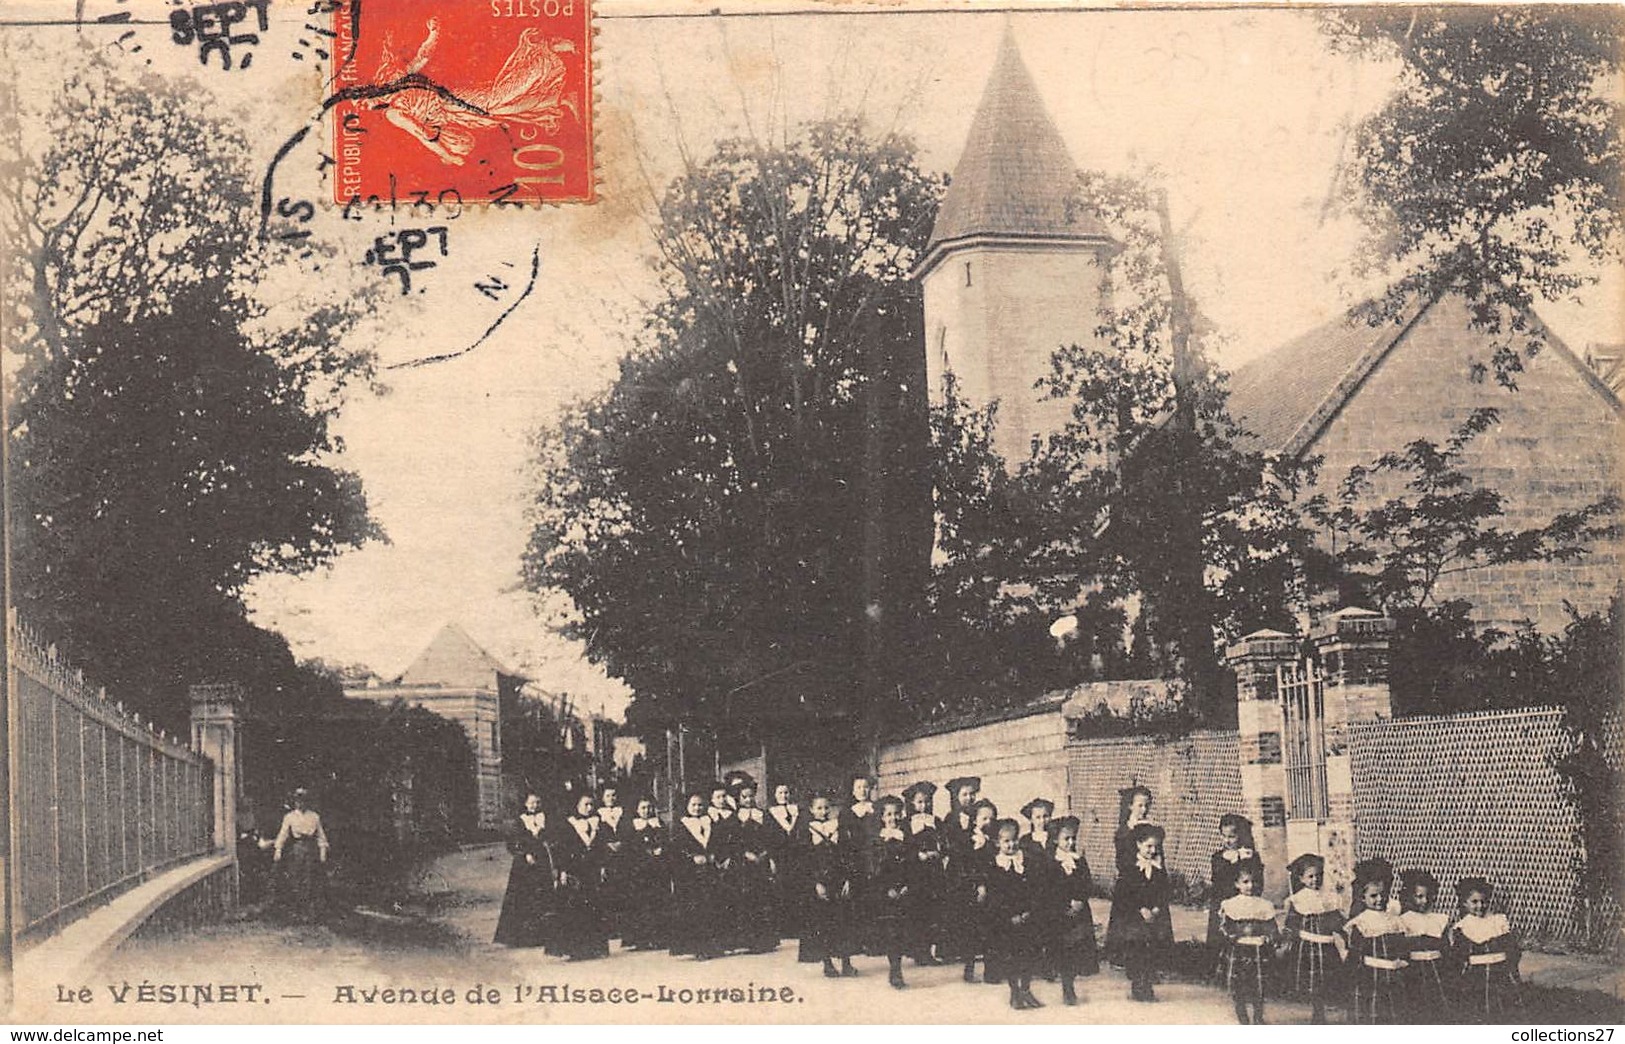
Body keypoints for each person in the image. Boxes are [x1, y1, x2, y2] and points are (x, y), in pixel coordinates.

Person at [984, 819, 1047, 1010]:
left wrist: (1029, 912)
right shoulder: (995, 866)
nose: (1011, 845)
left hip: (1027, 917)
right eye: (1006, 841)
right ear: (997, 843)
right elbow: (995, 897)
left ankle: (1026, 990)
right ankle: (1014, 992)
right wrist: (1009, 916)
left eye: (1014, 840)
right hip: (1007, 921)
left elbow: (1035, 889)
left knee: (1028, 955)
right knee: (1011, 957)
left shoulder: (1026, 861)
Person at [1107, 821, 1173, 1002]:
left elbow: (1164, 891)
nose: (1152, 850)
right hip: (1135, 918)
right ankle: (1137, 984)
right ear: (1138, 844)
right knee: (1136, 951)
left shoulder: (1159, 868)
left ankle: (1148, 985)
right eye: (1148, 846)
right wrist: (1142, 909)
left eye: (1155, 847)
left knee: (1151, 950)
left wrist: (1157, 908)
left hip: (1154, 917)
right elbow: (1124, 894)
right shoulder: (1130, 868)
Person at [796, 790, 858, 978]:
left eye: (826, 808)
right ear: (811, 810)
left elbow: (847, 855)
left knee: (843, 921)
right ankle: (827, 963)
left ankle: (846, 962)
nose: (823, 811)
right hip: (820, 882)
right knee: (823, 922)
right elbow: (805, 860)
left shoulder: (838, 827)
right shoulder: (806, 830)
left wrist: (848, 879)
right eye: (819, 808)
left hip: (839, 880)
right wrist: (816, 883)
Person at [1043, 815, 1099, 1006]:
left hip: (1079, 913)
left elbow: (1087, 883)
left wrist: (1080, 900)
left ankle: (1071, 982)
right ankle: (1067, 986)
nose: (1071, 842)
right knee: (1064, 951)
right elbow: (1049, 888)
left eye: (1073, 838)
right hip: (1060, 914)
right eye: (1066, 839)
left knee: (1077, 950)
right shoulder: (1051, 862)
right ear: (1055, 840)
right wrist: (1064, 905)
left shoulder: (1079, 860)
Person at [1281, 852, 1344, 1025]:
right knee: (1312, 979)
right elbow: (1291, 923)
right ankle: (1317, 1011)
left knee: (1325, 979)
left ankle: (1321, 1009)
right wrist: (1285, 942)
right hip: (1307, 947)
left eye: (1318, 876)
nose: (1315, 880)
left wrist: (1344, 933)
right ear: (1301, 879)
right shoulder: (1298, 900)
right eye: (1310, 876)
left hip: (1326, 947)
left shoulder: (1329, 899)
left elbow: (1337, 921)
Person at [1449, 877, 1521, 1022]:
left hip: (1500, 973)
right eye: (1474, 902)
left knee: (1503, 1008)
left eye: (1484, 901)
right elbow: (1458, 956)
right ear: (1465, 903)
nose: (1480, 906)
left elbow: (1512, 949)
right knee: (1478, 1007)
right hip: (1476, 975)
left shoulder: (1498, 921)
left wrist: (1510, 968)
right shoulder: (1462, 927)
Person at [1346, 859, 1409, 1024]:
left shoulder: (1394, 920)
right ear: (1363, 897)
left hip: (1393, 975)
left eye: (1384, 894)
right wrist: (1354, 976)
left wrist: (1402, 961)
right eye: (1374, 896)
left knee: (1393, 1012)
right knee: (1373, 1013)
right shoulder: (1361, 922)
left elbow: (1401, 945)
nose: (1380, 899)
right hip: (1370, 976)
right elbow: (1355, 952)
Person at [862, 795, 915, 989]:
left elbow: (912, 864)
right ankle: (895, 969)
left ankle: (898, 965)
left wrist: (907, 885)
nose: (893, 818)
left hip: (905, 890)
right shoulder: (878, 840)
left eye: (897, 814)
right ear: (882, 817)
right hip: (885, 892)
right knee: (891, 931)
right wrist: (888, 888)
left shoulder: (906, 837)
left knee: (902, 931)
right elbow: (874, 868)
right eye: (889, 814)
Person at [550, 790, 610, 960]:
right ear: (577, 806)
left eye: (592, 804)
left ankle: (594, 947)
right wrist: (562, 871)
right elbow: (562, 849)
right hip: (574, 870)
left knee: (593, 906)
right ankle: (575, 949)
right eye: (585, 805)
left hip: (591, 869)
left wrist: (603, 866)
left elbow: (602, 847)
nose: (589, 808)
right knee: (574, 909)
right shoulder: (569, 824)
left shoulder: (598, 823)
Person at [669, 790, 726, 960]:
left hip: (709, 871)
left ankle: (714, 946)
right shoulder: (681, 824)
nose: (697, 808)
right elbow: (677, 850)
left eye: (700, 805)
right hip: (690, 875)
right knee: (695, 909)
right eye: (693, 805)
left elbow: (718, 842)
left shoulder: (710, 821)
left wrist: (715, 854)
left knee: (712, 906)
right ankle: (697, 947)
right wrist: (692, 858)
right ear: (687, 806)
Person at [1218, 864, 1278, 1024]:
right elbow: (1224, 927)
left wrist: (1268, 937)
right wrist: (1233, 936)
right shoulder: (1230, 904)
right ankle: (1242, 1015)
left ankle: (1258, 1016)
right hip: (1239, 950)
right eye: (1245, 882)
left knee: (1259, 984)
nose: (1250, 886)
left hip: (1258, 950)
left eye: (1254, 882)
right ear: (1236, 884)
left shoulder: (1264, 905)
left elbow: (1272, 927)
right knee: (1239, 984)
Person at [727, 774, 780, 954]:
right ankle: (748, 940)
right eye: (744, 797)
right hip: (743, 865)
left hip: (762, 862)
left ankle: (765, 941)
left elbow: (773, 838)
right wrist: (745, 854)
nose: (749, 799)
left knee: (763, 898)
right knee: (746, 900)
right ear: (738, 798)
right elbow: (732, 842)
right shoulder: (734, 818)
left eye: (751, 796)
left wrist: (766, 854)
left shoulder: (763, 815)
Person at [494, 792, 554, 947]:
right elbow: (514, 842)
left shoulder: (544, 818)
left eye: (537, 802)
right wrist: (525, 853)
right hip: (524, 864)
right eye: (532, 802)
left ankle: (543, 936)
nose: (535, 805)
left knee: (543, 894)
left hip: (542, 860)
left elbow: (549, 838)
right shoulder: (519, 821)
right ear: (525, 804)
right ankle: (522, 937)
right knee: (523, 895)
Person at [1105, 785, 1155, 966]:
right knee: (1128, 919)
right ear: (1130, 806)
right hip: (1130, 881)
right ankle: (1123, 957)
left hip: (1150, 879)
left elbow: (1157, 855)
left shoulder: (1151, 829)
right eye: (1140, 805)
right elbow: (1123, 861)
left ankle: (1154, 957)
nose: (1144, 809)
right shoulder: (1124, 831)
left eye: (1147, 805)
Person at [902, 780, 948, 966]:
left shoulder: (936, 821)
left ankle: (928, 951)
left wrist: (939, 853)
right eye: (920, 802)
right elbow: (903, 847)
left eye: (927, 801)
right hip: (916, 872)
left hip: (933, 871)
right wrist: (917, 855)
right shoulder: (907, 823)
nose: (924, 805)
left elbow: (944, 843)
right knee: (917, 911)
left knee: (932, 911)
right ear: (912, 803)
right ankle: (918, 951)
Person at [1398, 868, 1452, 1022]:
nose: (1425, 901)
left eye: (1428, 896)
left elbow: (1446, 949)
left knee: (1439, 1007)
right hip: (1413, 971)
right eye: (1419, 897)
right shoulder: (1404, 920)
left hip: (1437, 970)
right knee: (1416, 1007)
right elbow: (1401, 950)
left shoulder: (1439, 919)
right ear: (1410, 897)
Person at [1208, 813, 1265, 951]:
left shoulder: (1250, 856)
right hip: (1223, 901)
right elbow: (1218, 881)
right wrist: (1232, 861)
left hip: (1245, 903)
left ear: (1241, 835)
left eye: (1232, 837)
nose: (1227, 840)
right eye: (1224, 836)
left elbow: (1257, 881)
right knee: (1222, 937)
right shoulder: (1218, 857)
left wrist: (1242, 859)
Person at [619, 796, 669, 951]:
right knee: (641, 903)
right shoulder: (632, 826)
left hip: (657, 868)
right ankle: (641, 939)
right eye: (643, 808)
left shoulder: (659, 824)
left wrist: (661, 849)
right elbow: (628, 847)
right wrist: (645, 852)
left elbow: (666, 841)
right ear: (636, 810)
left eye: (649, 807)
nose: (646, 811)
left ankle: (658, 937)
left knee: (658, 901)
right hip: (639, 870)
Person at [273, 788, 329, 924]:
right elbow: (283, 834)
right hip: (297, 849)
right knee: (295, 877)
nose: (300, 803)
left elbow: (320, 836)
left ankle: (309, 912)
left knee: (310, 878)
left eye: (303, 800)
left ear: (307, 801)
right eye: (298, 800)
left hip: (311, 849)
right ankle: (295, 911)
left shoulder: (314, 816)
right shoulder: (290, 817)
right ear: (294, 802)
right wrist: (278, 849)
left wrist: (322, 852)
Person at [765, 782, 802, 939]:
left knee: (797, 888)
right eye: (780, 793)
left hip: (797, 856)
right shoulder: (770, 813)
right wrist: (772, 858)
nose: (784, 796)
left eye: (786, 792)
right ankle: (784, 928)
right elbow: (768, 838)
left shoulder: (797, 811)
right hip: (780, 857)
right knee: (782, 889)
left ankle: (798, 927)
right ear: (774, 795)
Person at [839, 773, 878, 843]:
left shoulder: (876, 808)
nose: (862, 791)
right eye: (858, 787)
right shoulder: (847, 812)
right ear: (853, 791)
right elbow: (843, 836)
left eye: (866, 787)